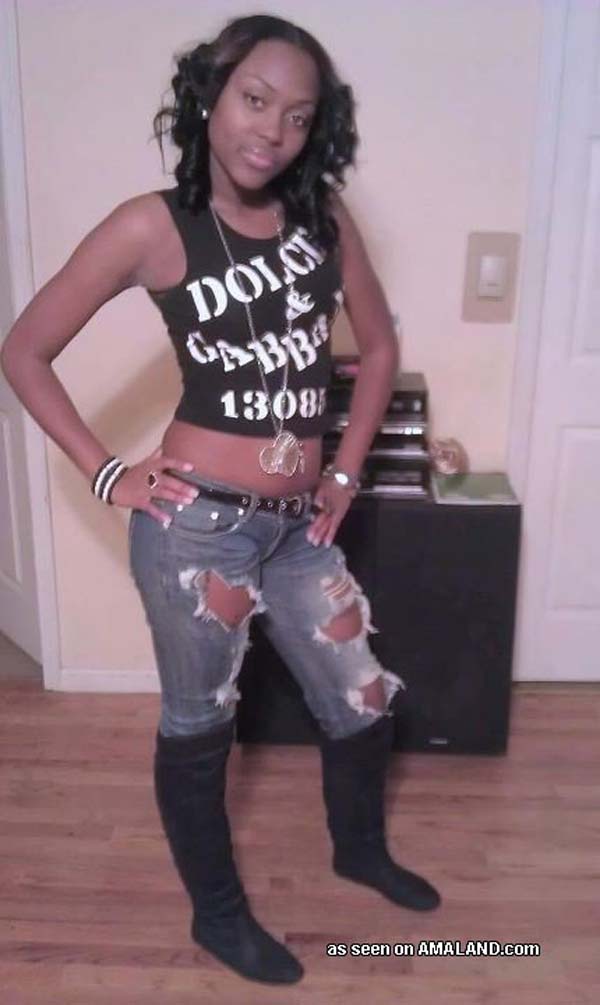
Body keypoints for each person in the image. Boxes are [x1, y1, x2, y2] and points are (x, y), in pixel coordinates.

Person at [1, 13, 440, 986]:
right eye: (254, 99)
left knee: (362, 697)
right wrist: (107, 472)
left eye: (297, 115)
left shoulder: (323, 220)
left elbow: (377, 347)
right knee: (201, 724)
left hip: (298, 529)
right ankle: (218, 916)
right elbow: (23, 350)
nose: (271, 130)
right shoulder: (151, 226)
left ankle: (359, 852)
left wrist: (344, 470)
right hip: (197, 528)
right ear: (209, 96)